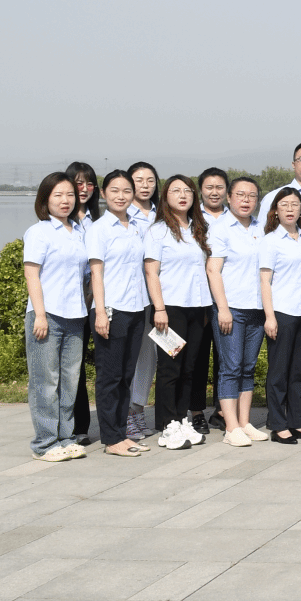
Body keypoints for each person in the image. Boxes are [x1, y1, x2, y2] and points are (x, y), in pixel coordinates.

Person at [142, 174, 214, 451]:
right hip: (170, 309)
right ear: (165, 196)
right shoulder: (158, 231)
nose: (183, 195)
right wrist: (159, 308)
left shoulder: (198, 229)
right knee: (170, 368)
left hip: (197, 307)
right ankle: (167, 424)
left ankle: (181, 418)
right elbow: (151, 272)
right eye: (176, 191)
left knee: (189, 368)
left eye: (187, 191)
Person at [23, 172, 90, 462]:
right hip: (47, 315)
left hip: (75, 316)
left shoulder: (79, 231)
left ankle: (66, 437)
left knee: (69, 381)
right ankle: (45, 443)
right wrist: (39, 315)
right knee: (45, 381)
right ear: (45, 199)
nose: (65, 201)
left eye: (70, 195)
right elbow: (32, 274)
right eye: (58, 195)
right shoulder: (39, 232)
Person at [85, 169, 149, 458]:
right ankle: (111, 438)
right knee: (110, 376)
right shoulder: (99, 229)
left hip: (136, 307)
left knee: (126, 375)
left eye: (126, 191)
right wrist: (100, 311)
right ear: (103, 194)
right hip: (111, 309)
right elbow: (96, 273)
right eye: (114, 191)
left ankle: (122, 433)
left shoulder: (135, 225)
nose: (121, 196)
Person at [206, 176, 269, 448]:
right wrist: (222, 308)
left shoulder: (262, 228)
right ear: (229, 198)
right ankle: (231, 427)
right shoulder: (220, 228)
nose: (246, 200)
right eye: (240, 195)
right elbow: (213, 270)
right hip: (231, 308)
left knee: (248, 367)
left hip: (257, 308)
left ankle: (245, 422)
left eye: (252, 196)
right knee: (230, 367)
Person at [259, 188, 301, 447]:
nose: (290, 209)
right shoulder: (271, 241)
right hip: (282, 311)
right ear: (275, 210)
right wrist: (269, 316)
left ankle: (297, 421)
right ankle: (278, 424)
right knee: (279, 372)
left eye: (295, 204)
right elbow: (265, 280)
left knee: (300, 372)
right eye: (284, 204)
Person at [122, 161, 162, 443]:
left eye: (150, 180)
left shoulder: (163, 214)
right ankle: (127, 413)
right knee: (131, 357)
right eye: (139, 180)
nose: (145, 185)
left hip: (161, 299)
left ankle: (138, 409)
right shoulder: (124, 216)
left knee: (151, 357)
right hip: (134, 297)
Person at [66, 160, 102, 443]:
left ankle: (112, 422)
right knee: (72, 366)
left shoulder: (99, 222)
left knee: (105, 364)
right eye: (79, 182)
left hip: (97, 302)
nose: (84, 188)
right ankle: (77, 427)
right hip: (70, 303)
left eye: (90, 183)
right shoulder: (59, 222)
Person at [195, 167, 232, 432]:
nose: (214, 192)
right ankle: (196, 410)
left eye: (220, 187)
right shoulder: (191, 217)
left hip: (228, 300)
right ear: (201, 190)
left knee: (225, 358)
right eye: (209, 187)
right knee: (197, 357)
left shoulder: (237, 218)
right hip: (197, 299)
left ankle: (222, 410)